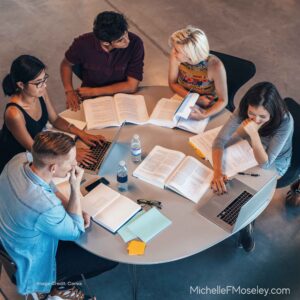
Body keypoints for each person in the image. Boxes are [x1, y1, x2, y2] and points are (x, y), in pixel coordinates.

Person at [0, 131, 117, 299]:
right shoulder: (44, 206)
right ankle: (58, 286)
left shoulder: (17, 160)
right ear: (53, 168)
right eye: (71, 163)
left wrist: (67, 205)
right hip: (30, 261)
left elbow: (49, 186)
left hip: (10, 241)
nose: (75, 164)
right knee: (109, 257)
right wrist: (75, 188)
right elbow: (75, 231)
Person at [211, 82, 294, 252]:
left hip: (276, 162)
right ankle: (237, 218)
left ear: (272, 112)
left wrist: (254, 134)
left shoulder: (285, 121)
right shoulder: (244, 109)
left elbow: (266, 163)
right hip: (251, 146)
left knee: (244, 187)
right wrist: (218, 172)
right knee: (226, 178)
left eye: (262, 117)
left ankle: (246, 223)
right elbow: (219, 141)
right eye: (251, 113)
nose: (256, 120)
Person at [0, 55, 104, 173]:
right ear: (21, 85)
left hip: (41, 144)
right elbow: (34, 149)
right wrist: (69, 154)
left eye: (45, 79)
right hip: (18, 158)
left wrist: (82, 133)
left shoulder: (40, 92)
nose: (44, 85)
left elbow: (55, 119)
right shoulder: (14, 114)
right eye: (39, 82)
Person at [61, 11, 145, 111]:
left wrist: (94, 92)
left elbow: (131, 86)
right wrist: (69, 91)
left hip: (122, 96)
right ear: (105, 43)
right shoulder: (82, 44)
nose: (127, 40)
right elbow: (66, 65)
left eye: (126, 33)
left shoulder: (135, 43)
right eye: (120, 40)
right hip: (91, 98)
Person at [168, 26, 228, 120]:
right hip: (183, 98)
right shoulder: (176, 57)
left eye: (177, 50)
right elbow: (172, 83)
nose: (173, 51)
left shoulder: (215, 66)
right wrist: (196, 99)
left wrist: (204, 115)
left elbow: (223, 100)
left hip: (207, 105)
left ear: (190, 54)